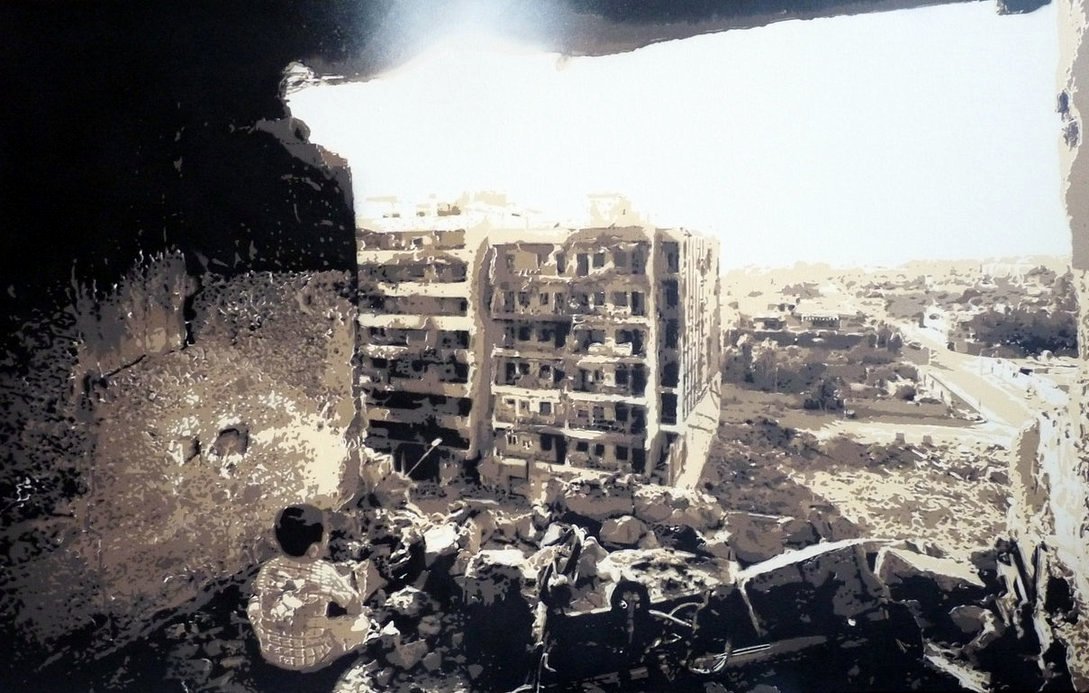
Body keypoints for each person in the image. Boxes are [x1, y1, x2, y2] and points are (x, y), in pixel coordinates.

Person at [247, 504, 372, 672]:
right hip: (311, 660)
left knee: (255, 604)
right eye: (326, 534)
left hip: (270, 653)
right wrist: (346, 592)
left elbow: (261, 591)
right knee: (361, 624)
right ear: (313, 550)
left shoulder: (268, 569)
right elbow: (354, 607)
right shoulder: (325, 571)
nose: (328, 536)